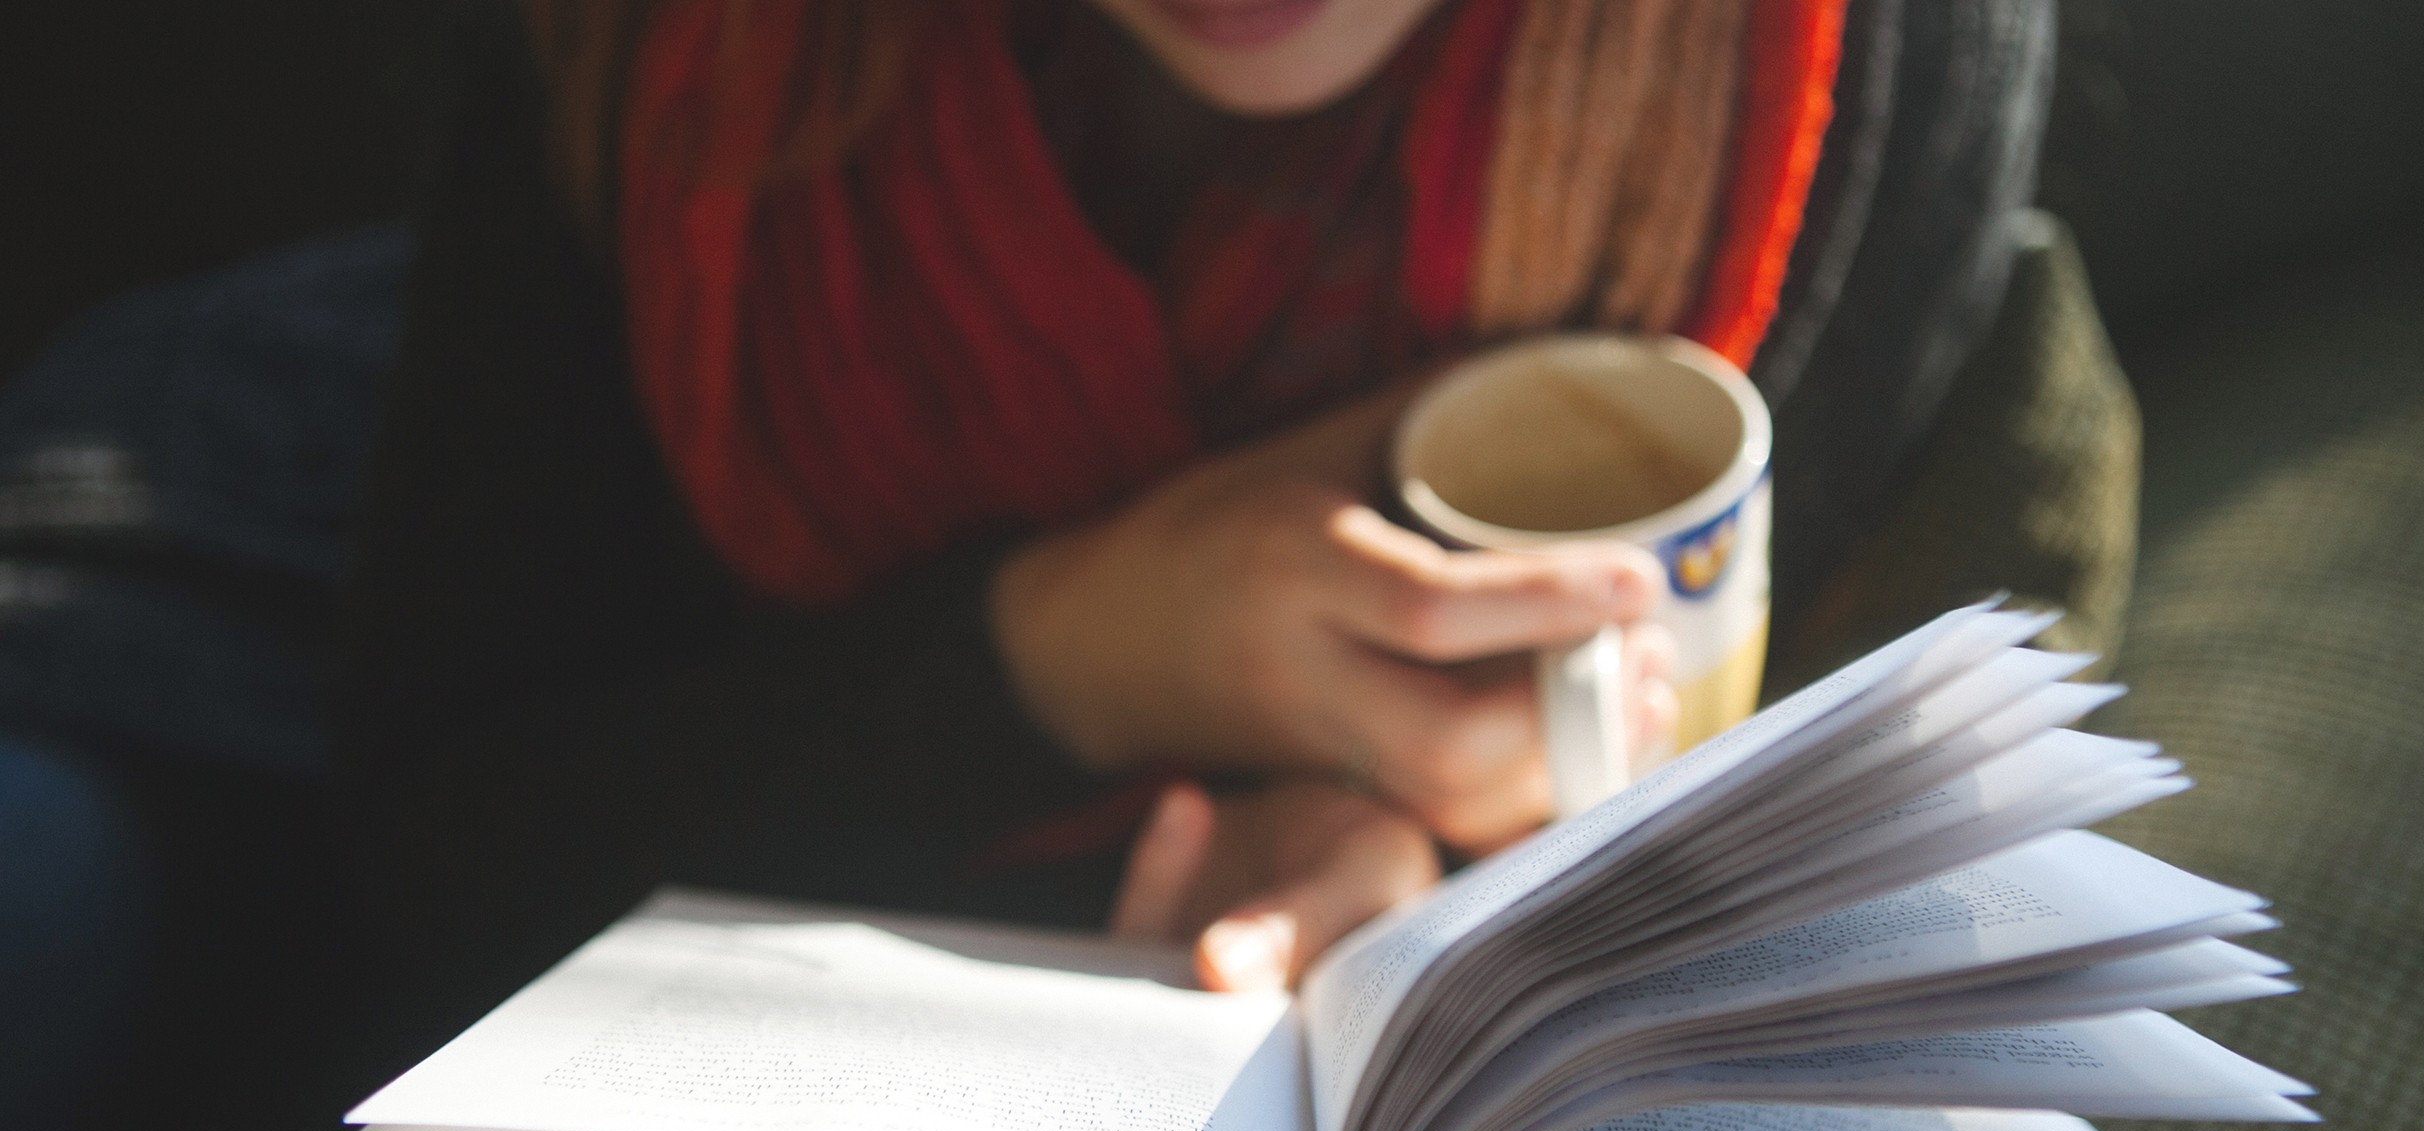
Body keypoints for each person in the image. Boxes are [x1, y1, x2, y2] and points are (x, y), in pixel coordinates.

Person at [339, 0, 1861, 1032]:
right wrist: (1064, 659)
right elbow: (436, 871)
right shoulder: (634, 72)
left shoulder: (1816, 70)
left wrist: (1411, 852)